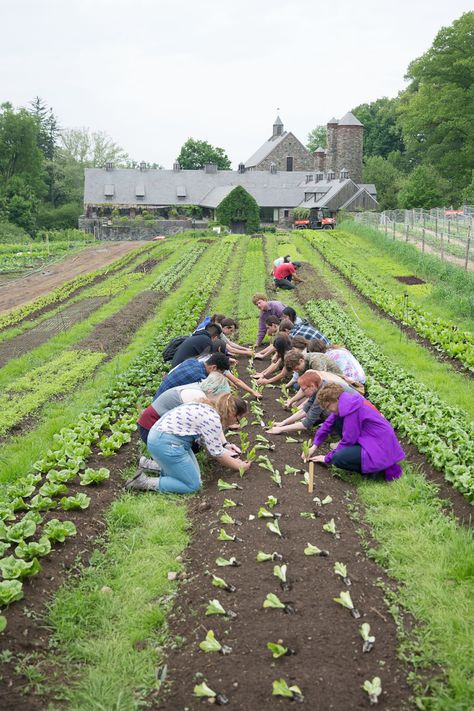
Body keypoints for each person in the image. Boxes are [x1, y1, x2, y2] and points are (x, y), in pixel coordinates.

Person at [125, 394, 251, 494]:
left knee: (194, 474)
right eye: (238, 419)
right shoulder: (212, 419)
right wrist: (238, 466)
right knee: (193, 485)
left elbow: (207, 442)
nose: (237, 423)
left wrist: (226, 450)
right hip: (166, 444)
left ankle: (149, 465)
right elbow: (217, 454)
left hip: (160, 438)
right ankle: (143, 482)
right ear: (232, 414)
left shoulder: (206, 408)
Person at [305, 383, 405, 481]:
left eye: (327, 406)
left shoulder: (351, 409)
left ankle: (376, 471)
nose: (328, 410)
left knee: (338, 458)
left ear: (335, 400)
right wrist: (314, 446)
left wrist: (327, 458)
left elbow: (348, 440)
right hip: (372, 438)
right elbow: (328, 424)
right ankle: (370, 463)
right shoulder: (346, 402)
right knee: (337, 421)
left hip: (380, 444)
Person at [267, 370, 357, 435]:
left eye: (303, 389)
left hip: (354, 415)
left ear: (312, 386)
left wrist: (280, 429)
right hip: (349, 411)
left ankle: (343, 436)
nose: (302, 392)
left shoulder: (323, 393)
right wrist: (283, 422)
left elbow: (306, 424)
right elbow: (305, 409)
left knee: (325, 412)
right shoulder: (320, 386)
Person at [154, 353, 230, 399]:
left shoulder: (192, 361)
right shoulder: (200, 378)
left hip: (158, 397)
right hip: (163, 411)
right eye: (220, 373)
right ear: (214, 367)